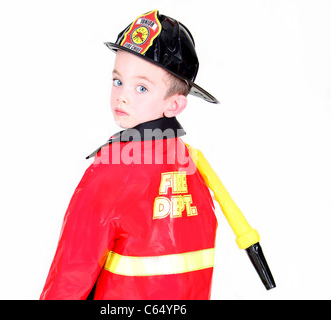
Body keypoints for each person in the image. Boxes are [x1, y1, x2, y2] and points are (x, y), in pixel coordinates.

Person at [40, 9, 221, 300]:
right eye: (117, 81)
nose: (122, 95)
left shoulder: (112, 169)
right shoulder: (192, 167)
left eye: (141, 87)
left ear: (174, 106)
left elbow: (71, 273)